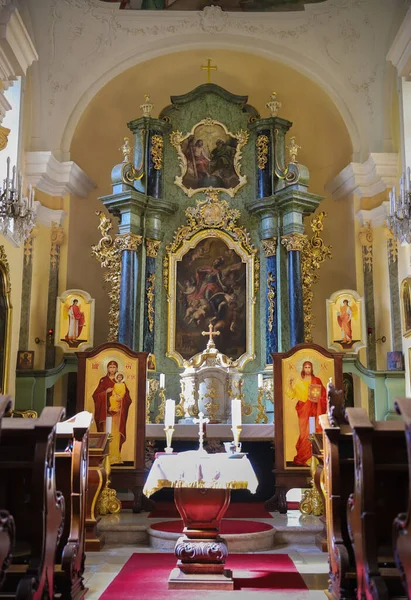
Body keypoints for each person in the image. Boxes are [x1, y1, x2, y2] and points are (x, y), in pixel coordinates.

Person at [286, 361, 326, 466]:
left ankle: (312, 458)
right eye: (305, 367)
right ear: (303, 369)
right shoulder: (298, 381)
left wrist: (315, 399)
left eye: (309, 367)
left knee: (312, 432)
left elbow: (323, 394)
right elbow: (291, 394)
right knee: (304, 434)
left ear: (312, 368)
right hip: (303, 409)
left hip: (313, 410)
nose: (307, 369)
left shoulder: (316, 380)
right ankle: (303, 457)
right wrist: (290, 384)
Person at [92, 360, 132, 465]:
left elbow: (128, 398)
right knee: (106, 434)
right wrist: (105, 392)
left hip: (117, 414)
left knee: (115, 434)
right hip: (105, 414)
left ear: (117, 369)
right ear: (107, 368)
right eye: (110, 367)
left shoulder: (121, 382)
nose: (112, 369)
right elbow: (95, 396)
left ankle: (115, 457)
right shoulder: (103, 380)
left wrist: (121, 399)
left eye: (114, 367)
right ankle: (105, 457)